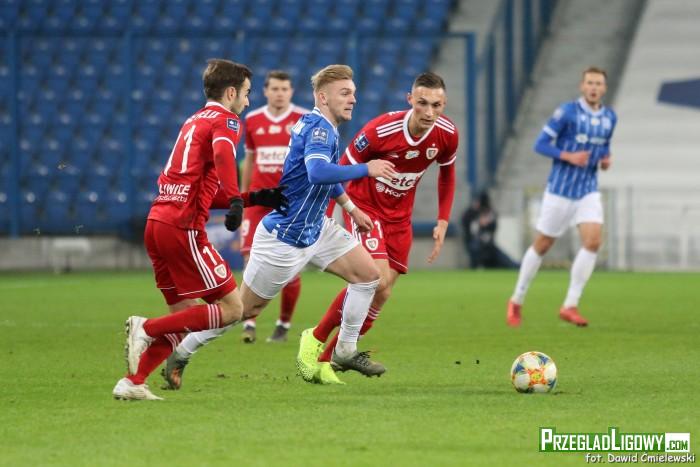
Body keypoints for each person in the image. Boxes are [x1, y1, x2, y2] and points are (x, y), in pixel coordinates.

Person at [161, 64, 398, 389]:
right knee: (242, 310)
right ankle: (181, 352)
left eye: (353, 93)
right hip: (285, 236)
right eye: (344, 93)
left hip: (316, 227)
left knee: (369, 277)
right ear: (322, 97)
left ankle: (344, 350)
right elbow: (318, 172)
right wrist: (366, 169)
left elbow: (326, 173)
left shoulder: (323, 126)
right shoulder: (319, 129)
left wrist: (351, 208)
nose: (352, 99)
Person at [112, 59, 287, 401]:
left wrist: (251, 197)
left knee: (184, 317)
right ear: (231, 93)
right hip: (183, 228)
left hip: (158, 223)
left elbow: (200, 191)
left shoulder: (194, 120)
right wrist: (235, 197)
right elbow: (223, 156)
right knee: (233, 309)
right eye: (247, 93)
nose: (248, 101)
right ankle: (146, 328)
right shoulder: (227, 120)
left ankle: (133, 382)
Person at [304, 72, 459, 383]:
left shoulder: (447, 134)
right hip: (366, 208)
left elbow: (447, 174)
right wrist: (332, 213)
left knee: (383, 292)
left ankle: (330, 359)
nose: (429, 112)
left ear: (444, 104)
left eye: (437, 105)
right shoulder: (381, 130)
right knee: (374, 279)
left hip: (400, 217)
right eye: (422, 103)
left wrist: (443, 220)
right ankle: (316, 338)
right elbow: (340, 168)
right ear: (410, 100)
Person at [506, 66, 617, 327]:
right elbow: (540, 144)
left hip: (588, 190)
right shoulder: (567, 112)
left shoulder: (609, 117)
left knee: (593, 242)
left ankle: (570, 305)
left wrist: (605, 161)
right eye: (589, 83)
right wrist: (568, 156)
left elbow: (604, 148)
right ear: (582, 86)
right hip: (560, 191)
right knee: (543, 244)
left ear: (604, 88)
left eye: (598, 83)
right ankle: (517, 299)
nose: (593, 87)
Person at [238, 70, 309, 344]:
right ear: (266, 91)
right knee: (250, 260)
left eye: (284, 89)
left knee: (291, 268)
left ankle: (283, 324)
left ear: (291, 92)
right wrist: (243, 198)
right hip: (258, 202)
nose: (280, 93)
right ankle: (249, 322)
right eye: (275, 89)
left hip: (291, 203)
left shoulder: (304, 119)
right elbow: (250, 161)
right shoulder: (253, 119)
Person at [461, 191, 518, 269]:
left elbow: (493, 229)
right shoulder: (471, 213)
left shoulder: (490, 213)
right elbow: (466, 224)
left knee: (506, 262)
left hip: (489, 247)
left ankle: (518, 266)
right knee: (476, 249)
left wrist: (487, 223)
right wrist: (478, 222)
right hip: (476, 245)